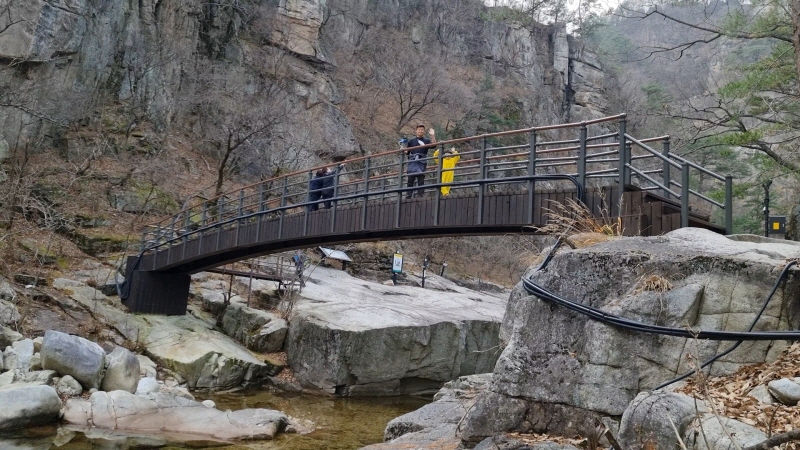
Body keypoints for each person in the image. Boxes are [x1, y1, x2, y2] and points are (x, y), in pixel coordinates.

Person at [405, 124, 436, 198]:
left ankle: (420, 195)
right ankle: (408, 196)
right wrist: (402, 147)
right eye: (419, 129)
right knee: (410, 180)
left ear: (424, 131)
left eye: (422, 129)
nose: (420, 131)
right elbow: (407, 152)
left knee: (421, 179)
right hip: (412, 161)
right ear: (416, 131)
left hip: (422, 161)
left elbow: (434, 145)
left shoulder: (426, 140)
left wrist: (432, 135)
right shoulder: (411, 141)